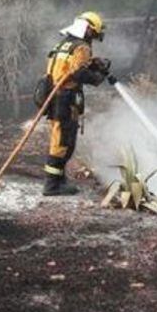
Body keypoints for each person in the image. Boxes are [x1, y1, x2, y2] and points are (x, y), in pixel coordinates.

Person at [39, 11, 111, 196]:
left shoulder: (63, 44)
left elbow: (68, 68)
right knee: (64, 140)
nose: (92, 40)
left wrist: (93, 63)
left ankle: (58, 180)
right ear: (87, 29)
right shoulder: (81, 47)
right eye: (93, 35)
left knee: (59, 137)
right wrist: (99, 76)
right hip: (66, 97)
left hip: (53, 94)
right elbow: (79, 74)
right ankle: (52, 185)